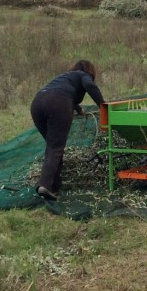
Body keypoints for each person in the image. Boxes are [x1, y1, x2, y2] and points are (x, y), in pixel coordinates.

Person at [29, 59, 106, 200]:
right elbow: (88, 85)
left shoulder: (66, 77)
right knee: (55, 147)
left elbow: (61, 92)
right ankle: (44, 185)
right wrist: (103, 106)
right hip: (58, 103)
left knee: (53, 147)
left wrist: (77, 108)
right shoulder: (84, 75)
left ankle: (54, 187)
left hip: (37, 102)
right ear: (90, 71)